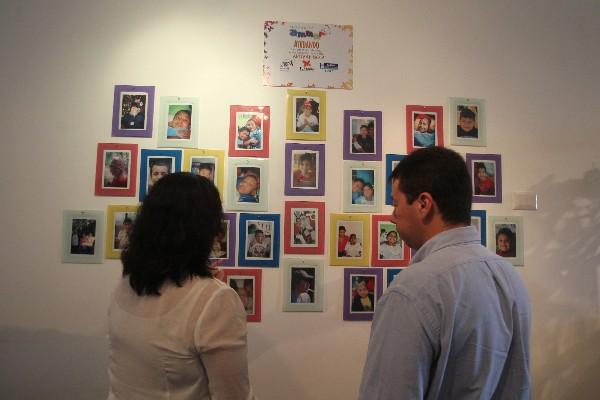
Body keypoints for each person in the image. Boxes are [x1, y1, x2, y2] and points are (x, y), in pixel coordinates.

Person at [359, 147, 530, 399]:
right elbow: (519, 386)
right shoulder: (510, 277)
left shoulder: (412, 290)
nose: (393, 216)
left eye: (396, 203)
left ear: (423, 204)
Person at [108, 172, 255, 399]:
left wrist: (204, 287)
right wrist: (208, 292)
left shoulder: (127, 284)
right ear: (204, 230)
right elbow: (234, 396)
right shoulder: (216, 300)